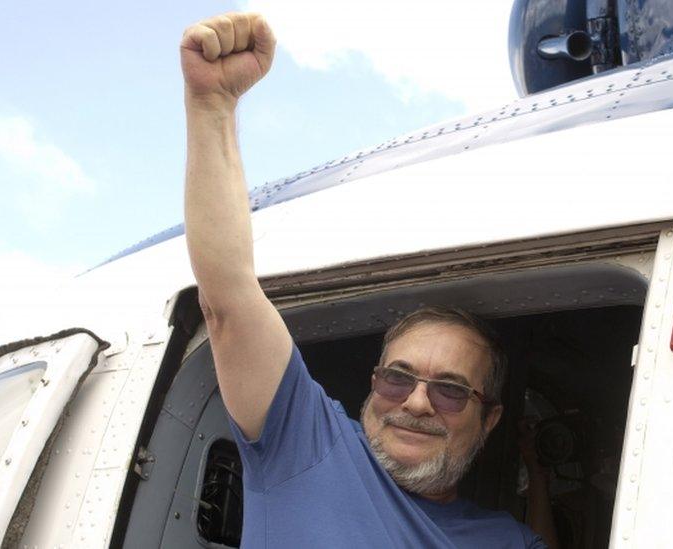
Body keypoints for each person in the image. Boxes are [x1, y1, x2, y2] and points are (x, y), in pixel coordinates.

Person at [181, 12, 546, 548]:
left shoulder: (510, 542)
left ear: (488, 419)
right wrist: (212, 108)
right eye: (397, 378)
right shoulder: (306, 441)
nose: (416, 404)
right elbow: (229, 300)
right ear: (374, 384)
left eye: (449, 390)